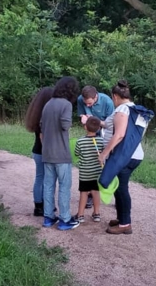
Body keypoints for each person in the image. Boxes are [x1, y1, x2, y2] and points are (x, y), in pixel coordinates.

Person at [98, 80, 153, 235]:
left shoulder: (122, 109)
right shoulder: (138, 111)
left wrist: (104, 153)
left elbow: (120, 135)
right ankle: (121, 218)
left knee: (121, 189)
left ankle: (125, 224)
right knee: (119, 187)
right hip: (135, 154)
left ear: (115, 96)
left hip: (125, 156)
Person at [40, 76, 81, 231]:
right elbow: (65, 125)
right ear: (71, 90)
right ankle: (65, 219)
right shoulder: (66, 104)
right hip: (61, 154)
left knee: (48, 185)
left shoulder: (48, 104)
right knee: (64, 186)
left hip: (47, 153)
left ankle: (48, 217)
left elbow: (42, 127)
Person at [77, 86, 114, 210]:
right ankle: (90, 196)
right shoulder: (80, 100)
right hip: (90, 132)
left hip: (104, 133)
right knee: (91, 161)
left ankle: (105, 190)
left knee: (103, 163)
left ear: (96, 97)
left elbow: (111, 123)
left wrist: (97, 123)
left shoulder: (107, 101)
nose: (87, 105)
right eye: (85, 103)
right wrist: (83, 117)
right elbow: (82, 113)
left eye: (90, 103)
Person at [24, 87, 54, 217]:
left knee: (39, 178)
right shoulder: (47, 114)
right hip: (45, 151)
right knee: (48, 179)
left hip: (37, 150)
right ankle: (47, 205)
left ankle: (38, 206)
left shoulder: (36, 113)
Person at [74, 116, 104, 223]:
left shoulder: (80, 141)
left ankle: (80, 215)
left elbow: (77, 153)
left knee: (84, 193)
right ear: (99, 128)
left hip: (85, 173)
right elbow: (104, 153)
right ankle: (96, 214)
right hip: (97, 173)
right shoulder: (101, 140)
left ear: (85, 127)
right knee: (95, 193)